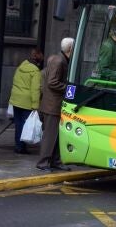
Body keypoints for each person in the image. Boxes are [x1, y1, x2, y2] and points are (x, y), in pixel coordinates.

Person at [36, 38, 74, 172]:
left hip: (53, 104)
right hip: (53, 105)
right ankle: (43, 163)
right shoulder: (59, 61)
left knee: (57, 136)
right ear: (71, 49)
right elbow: (52, 82)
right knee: (50, 136)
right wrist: (68, 88)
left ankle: (55, 161)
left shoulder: (58, 59)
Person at [9, 48, 44, 154]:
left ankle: (18, 146)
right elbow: (35, 90)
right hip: (26, 102)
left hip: (16, 100)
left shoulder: (21, 66)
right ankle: (21, 147)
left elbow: (15, 82)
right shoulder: (35, 71)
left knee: (18, 124)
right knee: (25, 125)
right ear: (38, 58)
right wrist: (35, 105)